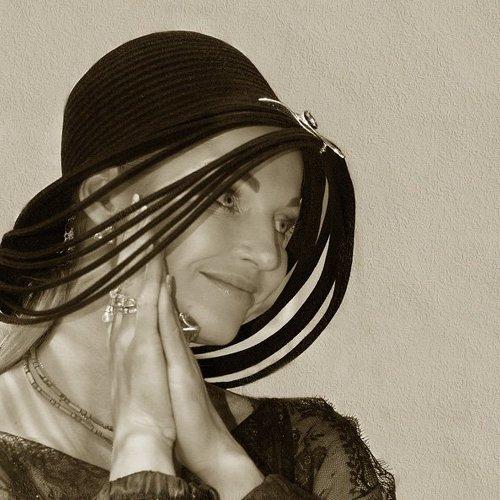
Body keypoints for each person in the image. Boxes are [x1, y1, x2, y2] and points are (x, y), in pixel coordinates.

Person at [0, 31, 396, 499]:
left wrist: (225, 463)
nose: (269, 255)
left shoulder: (309, 449)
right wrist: (143, 442)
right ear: (107, 199)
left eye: (284, 224)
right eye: (226, 199)